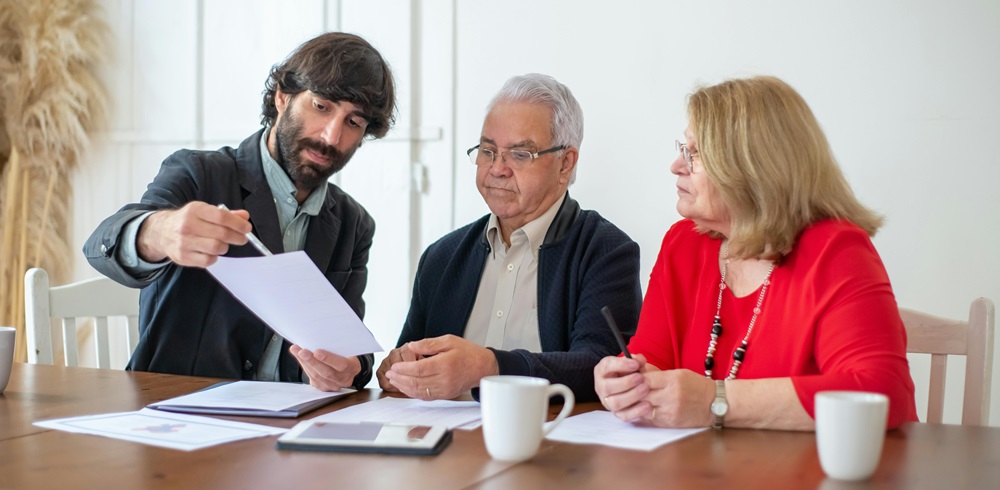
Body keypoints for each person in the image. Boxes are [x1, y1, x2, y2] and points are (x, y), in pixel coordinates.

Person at [595, 76, 918, 430]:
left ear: (750, 168)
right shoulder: (683, 243)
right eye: (682, 148)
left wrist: (714, 400)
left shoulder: (836, 250)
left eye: (695, 153)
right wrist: (626, 384)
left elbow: (881, 392)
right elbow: (653, 358)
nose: (676, 165)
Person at [83, 32, 395, 391]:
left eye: (353, 122)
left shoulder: (353, 223)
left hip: (294, 415)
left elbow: (349, 343)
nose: (331, 136)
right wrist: (158, 231)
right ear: (283, 97)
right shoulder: (198, 174)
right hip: (179, 410)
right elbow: (99, 246)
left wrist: (351, 368)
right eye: (321, 106)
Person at [376, 74, 642, 402]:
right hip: (447, 434)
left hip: (550, 431)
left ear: (565, 163)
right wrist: (398, 370)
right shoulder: (442, 257)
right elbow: (407, 362)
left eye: (519, 154)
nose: (497, 168)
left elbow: (602, 367)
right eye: (488, 151)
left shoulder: (606, 251)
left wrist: (490, 366)